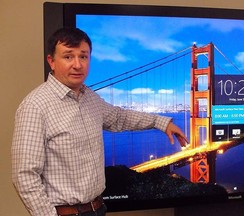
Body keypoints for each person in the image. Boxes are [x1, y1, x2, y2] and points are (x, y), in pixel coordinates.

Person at [11, 27, 189, 216]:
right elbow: (24, 175)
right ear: (51, 61)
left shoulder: (90, 98)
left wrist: (162, 123)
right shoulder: (35, 106)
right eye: (68, 57)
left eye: (84, 56)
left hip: (98, 209)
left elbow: (120, 117)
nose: (78, 65)